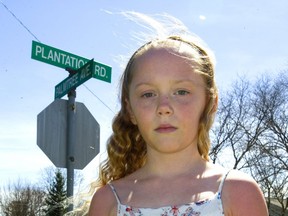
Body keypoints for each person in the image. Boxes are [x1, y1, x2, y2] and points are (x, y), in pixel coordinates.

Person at [88, 12, 268, 216]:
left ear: (209, 103)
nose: (163, 107)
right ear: (130, 110)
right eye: (148, 94)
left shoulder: (238, 193)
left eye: (181, 92)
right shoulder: (108, 201)